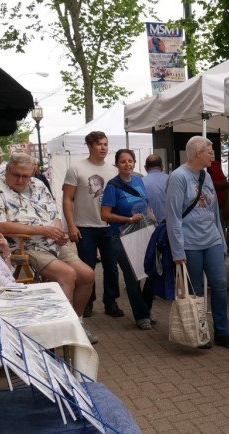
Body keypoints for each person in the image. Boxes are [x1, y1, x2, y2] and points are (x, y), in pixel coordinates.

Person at [0, 153, 98, 343]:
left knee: (87, 275)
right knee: (67, 275)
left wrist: (57, 232)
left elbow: (55, 215)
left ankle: (76, 322)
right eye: (16, 175)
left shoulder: (38, 185)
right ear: (7, 170)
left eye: (26, 176)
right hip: (22, 245)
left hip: (51, 242)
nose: (21, 180)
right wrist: (43, 230)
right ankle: (58, 330)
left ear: (32, 173)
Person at [166, 136, 229, 349]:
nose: (213, 155)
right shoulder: (178, 177)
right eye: (210, 151)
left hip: (212, 240)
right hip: (190, 243)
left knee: (220, 285)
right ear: (198, 153)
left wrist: (221, 240)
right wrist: (177, 251)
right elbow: (173, 217)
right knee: (196, 290)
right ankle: (199, 332)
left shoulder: (205, 176)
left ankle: (223, 332)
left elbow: (213, 211)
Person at [62, 131, 123, 319]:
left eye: (105, 144)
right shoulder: (76, 169)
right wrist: (71, 226)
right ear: (89, 146)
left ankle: (111, 302)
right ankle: (87, 302)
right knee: (87, 268)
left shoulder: (114, 171)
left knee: (111, 266)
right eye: (99, 144)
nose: (103, 148)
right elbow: (67, 199)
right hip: (84, 226)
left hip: (108, 226)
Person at [100, 149, 154, 330]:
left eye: (130, 161)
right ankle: (141, 316)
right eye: (123, 161)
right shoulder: (112, 186)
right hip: (122, 235)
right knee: (132, 278)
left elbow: (146, 206)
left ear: (135, 162)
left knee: (152, 272)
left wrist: (151, 222)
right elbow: (105, 215)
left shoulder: (139, 181)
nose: (127, 164)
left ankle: (146, 308)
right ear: (117, 164)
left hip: (143, 231)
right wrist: (128, 219)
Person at [142, 154, 169, 222]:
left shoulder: (140, 183)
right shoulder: (172, 179)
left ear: (145, 168)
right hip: (169, 225)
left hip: (149, 226)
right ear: (162, 167)